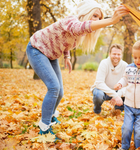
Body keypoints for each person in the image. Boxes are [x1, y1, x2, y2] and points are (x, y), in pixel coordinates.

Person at [26, 0, 129, 139]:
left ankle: (50, 116)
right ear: (86, 12)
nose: (97, 20)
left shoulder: (79, 33)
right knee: (54, 88)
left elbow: (65, 40)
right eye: (95, 16)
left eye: (99, 18)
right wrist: (110, 20)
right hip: (37, 49)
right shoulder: (72, 20)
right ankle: (44, 128)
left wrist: (66, 56)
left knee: (60, 91)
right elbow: (81, 27)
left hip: (51, 55)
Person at [114, 40, 140, 150]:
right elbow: (125, 78)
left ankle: (138, 147)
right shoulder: (129, 68)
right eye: (135, 57)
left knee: (139, 131)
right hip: (129, 105)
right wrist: (120, 83)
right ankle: (124, 147)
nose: (137, 60)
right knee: (127, 128)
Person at [91, 44, 128, 114]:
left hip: (118, 92)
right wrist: (115, 95)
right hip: (103, 91)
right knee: (98, 95)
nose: (116, 56)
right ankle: (97, 110)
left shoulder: (125, 65)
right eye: (114, 54)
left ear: (121, 55)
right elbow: (99, 83)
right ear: (109, 54)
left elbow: (127, 85)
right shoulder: (104, 63)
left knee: (129, 92)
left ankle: (118, 111)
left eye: (118, 54)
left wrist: (118, 94)